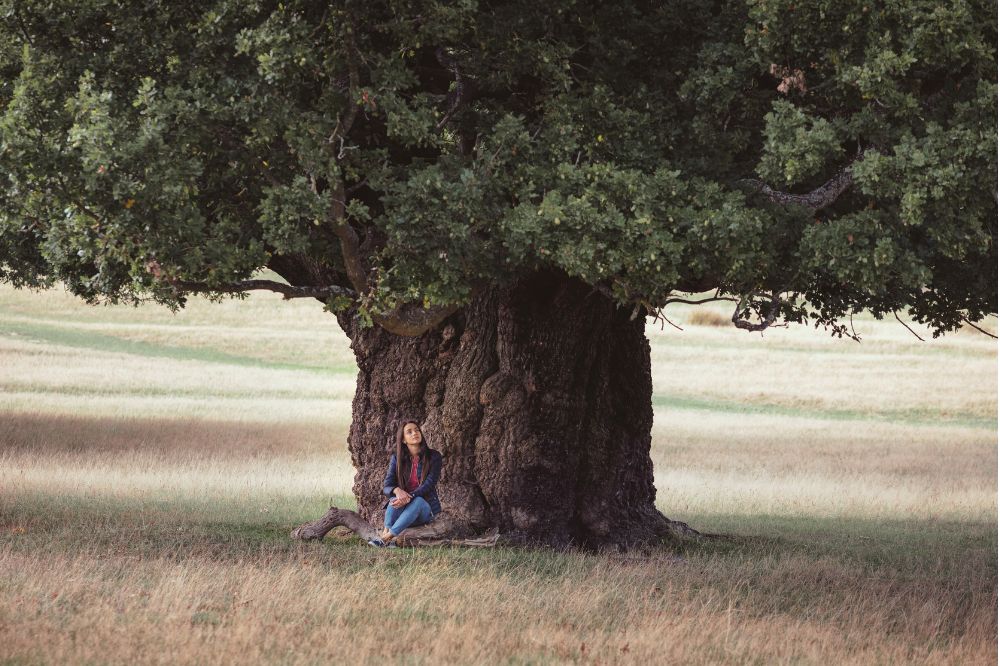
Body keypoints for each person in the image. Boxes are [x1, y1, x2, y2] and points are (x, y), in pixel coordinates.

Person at [368, 419, 442, 547]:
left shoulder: (434, 456)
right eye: (409, 432)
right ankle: (386, 533)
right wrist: (397, 491)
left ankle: (385, 539)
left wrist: (409, 497)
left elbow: (429, 484)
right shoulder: (397, 458)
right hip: (404, 511)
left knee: (418, 501)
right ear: (403, 439)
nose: (415, 433)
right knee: (394, 499)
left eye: (417, 430)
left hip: (425, 511)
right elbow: (387, 485)